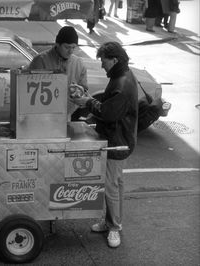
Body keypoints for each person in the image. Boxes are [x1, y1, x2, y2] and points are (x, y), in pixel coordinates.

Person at [72, 42, 138, 248]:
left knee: (111, 186)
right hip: (121, 138)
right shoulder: (122, 76)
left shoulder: (121, 84)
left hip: (117, 141)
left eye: (104, 60)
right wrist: (91, 101)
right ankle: (111, 221)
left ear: (115, 60)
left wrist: (87, 102)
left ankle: (114, 228)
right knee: (116, 184)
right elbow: (110, 109)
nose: (102, 65)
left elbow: (109, 113)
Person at [28, 26, 88, 120]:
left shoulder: (79, 63)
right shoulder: (41, 60)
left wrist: (80, 93)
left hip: (66, 117)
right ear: (57, 44)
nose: (70, 51)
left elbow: (84, 89)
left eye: (73, 47)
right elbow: (29, 90)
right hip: (41, 116)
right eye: (67, 47)